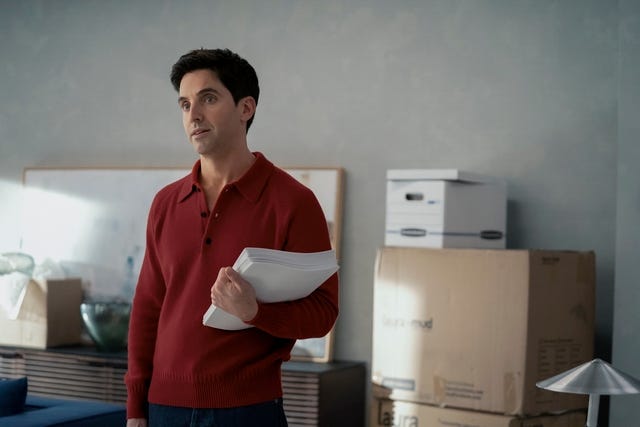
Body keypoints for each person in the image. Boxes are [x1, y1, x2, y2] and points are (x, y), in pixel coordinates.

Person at [125, 48, 339, 427]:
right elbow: (147, 308)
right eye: (185, 104)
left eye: (208, 98)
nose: (193, 114)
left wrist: (255, 312)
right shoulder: (166, 203)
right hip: (164, 408)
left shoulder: (293, 202)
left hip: (248, 410)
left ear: (246, 108)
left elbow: (323, 312)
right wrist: (136, 408)